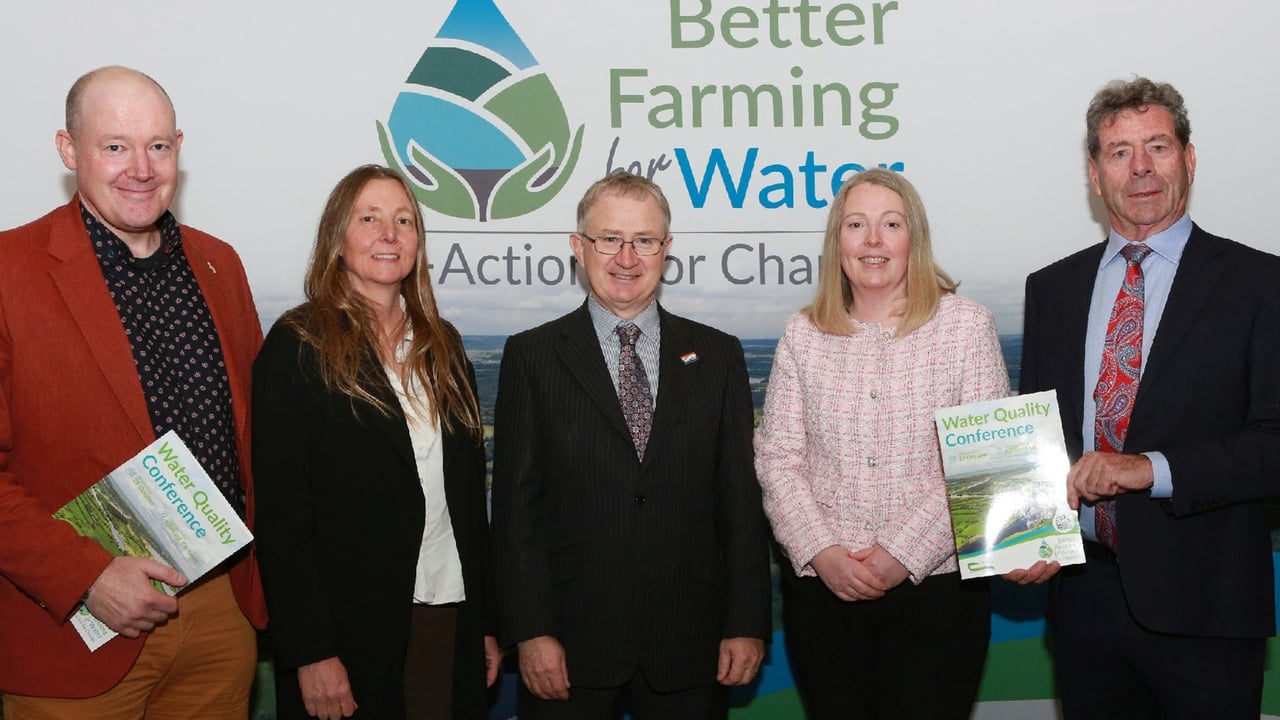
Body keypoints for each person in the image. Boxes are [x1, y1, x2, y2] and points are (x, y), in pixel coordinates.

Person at [0, 66, 267, 717]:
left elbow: (257, 436)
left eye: (158, 146)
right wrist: (85, 577)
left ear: (179, 146)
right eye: (114, 146)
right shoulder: (11, 271)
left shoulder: (219, 265)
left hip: (221, 614)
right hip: (76, 629)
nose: (140, 168)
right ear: (69, 150)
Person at [1009, 77, 1280, 718]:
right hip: (1082, 603)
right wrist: (1023, 536)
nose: (1140, 169)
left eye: (1156, 146)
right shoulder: (1052, 289)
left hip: (1206, 605)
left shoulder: (1260, 283)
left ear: (1188, 158)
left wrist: (1149, 470)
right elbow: (1039, 437)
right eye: (1119, 152)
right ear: (1095, 174)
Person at [490, 171, 771, 719]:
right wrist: (530, 630)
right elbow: (516, 512)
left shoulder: (717, 356)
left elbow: (739, 502)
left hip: (692, 645)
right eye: (609, 239)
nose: (626, 257)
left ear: (666, 250)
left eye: (644, 240)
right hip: (569, 645)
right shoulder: (532, 356)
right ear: (579, 248)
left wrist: (745, 621)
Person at [754, 168, 1009, 719]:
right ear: (837, 243)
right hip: (823, 595)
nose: (872, 240)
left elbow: (983, 463)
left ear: (912, 238)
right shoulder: (803, 333)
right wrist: (822, 552)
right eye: (856, 225)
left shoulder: (966, 327)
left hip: (939, 599)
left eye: (890, 224)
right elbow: (778, 460)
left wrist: (901, 554)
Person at [252, 165, 501, 720]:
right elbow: (281, 518)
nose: (389, 234)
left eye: (404, 220)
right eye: (369, 218)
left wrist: (486, 623)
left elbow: (464, 498)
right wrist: (312, 651)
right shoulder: (297, 345)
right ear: (338, 239)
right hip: (346, 628)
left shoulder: (444, 343)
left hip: (445, 608)